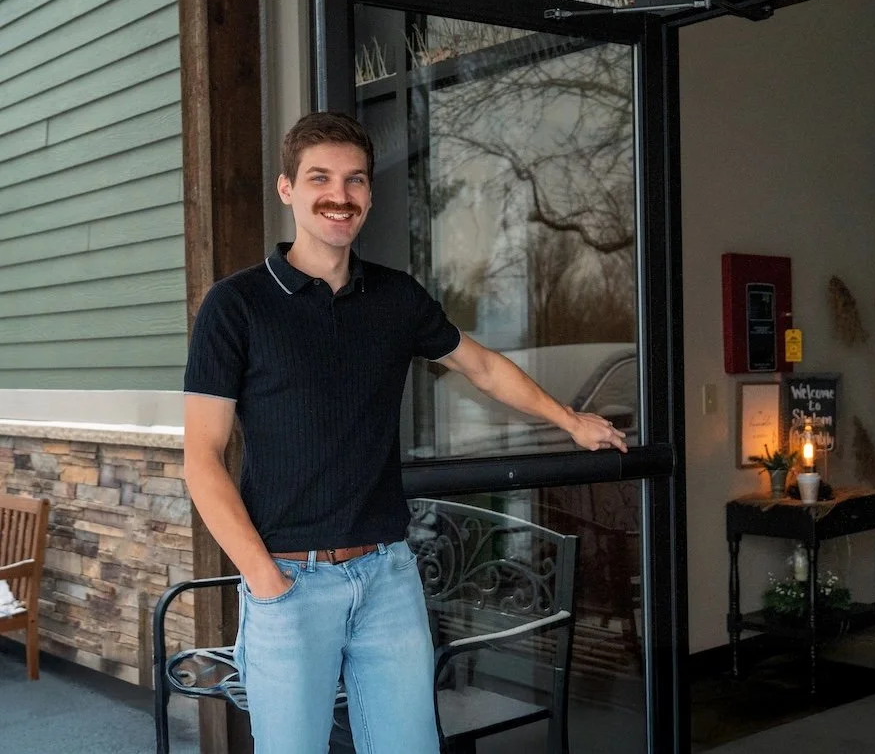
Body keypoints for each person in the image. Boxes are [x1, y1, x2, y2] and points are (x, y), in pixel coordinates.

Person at [183, 111, 628, 754]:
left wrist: (570, 420)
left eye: (355, 180)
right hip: (287, 580)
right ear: (287, 189)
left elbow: (481, 367)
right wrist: (264, 579)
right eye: (320, 178)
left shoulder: (395, 298)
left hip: (387, 576)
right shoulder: (236, 305)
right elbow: (202, 457)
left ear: (369, 193)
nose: (340, 195)